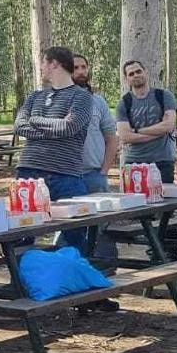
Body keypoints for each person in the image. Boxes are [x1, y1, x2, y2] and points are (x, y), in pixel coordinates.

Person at [13, 48, 96, 251]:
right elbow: (19, 125)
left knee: (76, 233)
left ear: (54, 63)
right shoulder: (35, 96)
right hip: (28, 173)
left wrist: (36, 120)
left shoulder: (82, 97)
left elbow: (69, 127)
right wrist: (52, 128)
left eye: (43, 63)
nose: (41, 68)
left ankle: (75, 275)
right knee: (20, 234)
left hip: (66, 176)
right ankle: (22, 279)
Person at [71, 55, 120, 270]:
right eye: (76, 68)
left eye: (84, 67)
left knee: (103, 226)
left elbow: (111, 138)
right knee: (69, 228)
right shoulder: (57, 101)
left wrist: (104, 170)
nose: (81, 71)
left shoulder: (98, 102)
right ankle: (72, 270)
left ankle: (107, 270)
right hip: (68, 177)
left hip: (94, 174)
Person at [116, 60, 177, 185]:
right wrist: (157, 132)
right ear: (126, 79)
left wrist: (137, 131)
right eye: (131, 74)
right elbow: (125, 136)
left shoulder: (164, 96)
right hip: (133, 163)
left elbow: (168, 125)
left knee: (165, 202)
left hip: (162, 162)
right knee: (135, 203)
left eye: (138, 71)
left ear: (146, 72)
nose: (136, 75)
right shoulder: (124, 103)